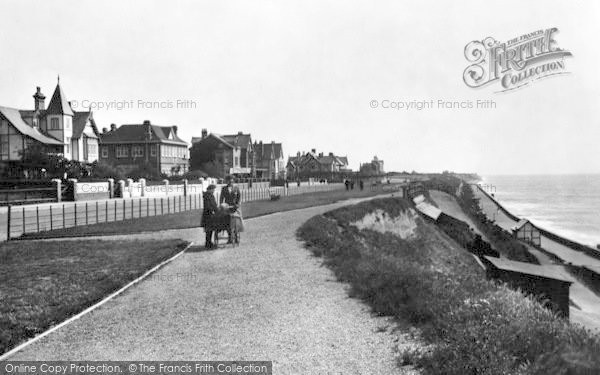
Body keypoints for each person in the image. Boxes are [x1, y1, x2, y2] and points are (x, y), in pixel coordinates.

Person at [220, 176, 243, 243]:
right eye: (229, 181)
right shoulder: (224, 188)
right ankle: (230, 237)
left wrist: (237, 204)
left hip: (235, 207)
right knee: (227, 221)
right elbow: (221, 198)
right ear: (226, 181)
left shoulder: (236, 188)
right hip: (227, 207)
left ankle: (236, 237)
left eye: (231, 181)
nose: (230, 182)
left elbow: (239, 197)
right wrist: (222, 205)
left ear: (233, 181)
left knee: (236, 221)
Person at [201, 184, 218, 249]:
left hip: (210, 215)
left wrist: (216, 209)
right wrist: (213, 210)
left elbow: (214, 205)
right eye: (213, 189)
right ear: (210, 189)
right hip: (208, 215)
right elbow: (208, 206)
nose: (214, 191)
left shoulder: (210, 195)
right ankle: (208, 243)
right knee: (208, 230)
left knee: (210, 230)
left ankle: (209, 242)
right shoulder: (207, 196)